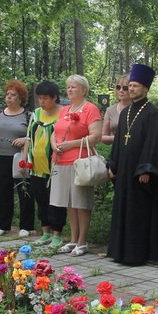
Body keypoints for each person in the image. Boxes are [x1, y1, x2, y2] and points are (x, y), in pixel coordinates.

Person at [107, 64, 158, 265]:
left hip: (140, 173)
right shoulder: (125, 112)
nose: (131, 89)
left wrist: (147, 168)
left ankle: (140, 253)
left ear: (146, 88)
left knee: (140, 212)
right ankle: (122, 252)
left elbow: (153, 144)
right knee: (124, 210)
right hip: (124, 172)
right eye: (130, 85)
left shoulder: (152, 113)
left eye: (136, 85)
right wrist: (113, 164)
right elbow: (119, 141)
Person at [50, 75, 102, 256]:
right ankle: (73, 239)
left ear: (84, 90)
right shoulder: (64, 109)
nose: (69, 90)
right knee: (69, 203)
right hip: (61, 160)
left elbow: (95, 137)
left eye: (74, 87)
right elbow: (55, 131)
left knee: (81, 203)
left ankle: (82, 241)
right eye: (68, 87)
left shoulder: (90, 109)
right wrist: (53, 145)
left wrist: (70, 145)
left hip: (80, 163)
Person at [23, 81, 66, 249]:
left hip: (55, 165)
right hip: (36, 165)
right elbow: (28, 136)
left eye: (45, 98)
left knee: (55, 200)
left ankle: (57, 233)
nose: (42, 101)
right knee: (40, 198)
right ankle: (45, 232)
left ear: (54, 97)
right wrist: (26, 158)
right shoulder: (36, 113)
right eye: (39, 98)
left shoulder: (63, 113)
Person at [0, 80, 33, 237]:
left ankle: (26, 226)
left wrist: (24, 141)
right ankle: (3, 225)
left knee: (24, 190)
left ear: (20, 98)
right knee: (4, 191)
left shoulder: (28, 115)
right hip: (2, 157)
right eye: (7, 94)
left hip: (19, 157)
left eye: (13, 95)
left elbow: (32, 136)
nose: (9, 97)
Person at [101, 74, 129, 145]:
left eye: (125, 88)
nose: (121, 90)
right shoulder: (110, 110)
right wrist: (119, 138)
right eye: (118, 87)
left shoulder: (139, 109)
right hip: (117, 151)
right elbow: (103, 137)